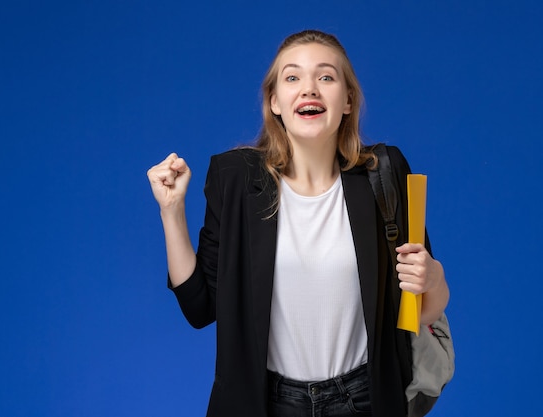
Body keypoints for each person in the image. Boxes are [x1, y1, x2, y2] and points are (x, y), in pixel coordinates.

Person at [147, 29, 449, 417]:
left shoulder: (384, 172)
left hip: (365, 400)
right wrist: (171, 212)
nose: (310, 89)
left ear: (347, 100)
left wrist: (434, 278)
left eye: (326, 77)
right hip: (268, 404)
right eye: (292, 78)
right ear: (275, 101)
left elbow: (421, 311)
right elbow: (200, 308)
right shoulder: (235, 177)